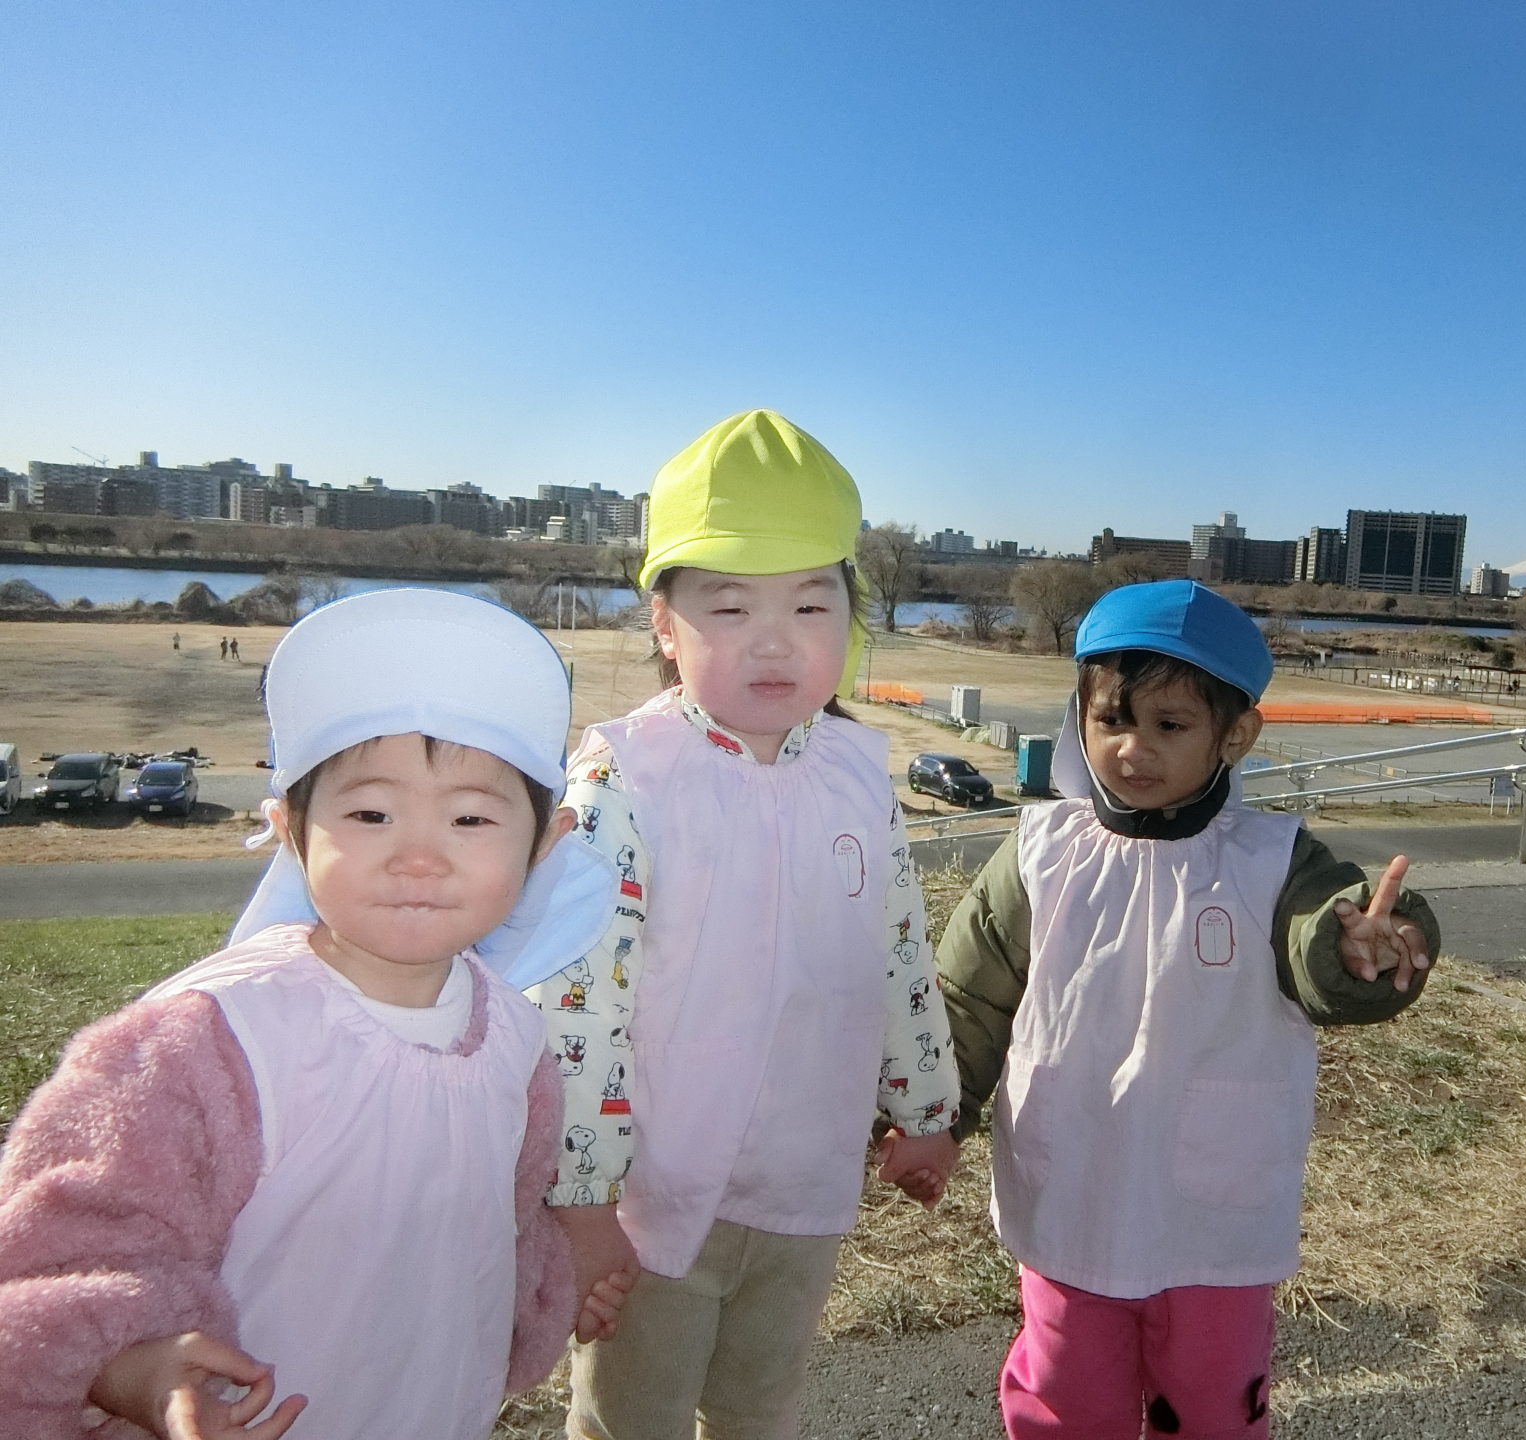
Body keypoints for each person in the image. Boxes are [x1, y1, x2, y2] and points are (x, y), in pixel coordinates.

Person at [0, 589, 630, 1440]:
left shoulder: (514, 1041)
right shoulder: (207, 1043)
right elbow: (63, 1251)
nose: (417, 855)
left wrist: (551, 1283)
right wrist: (127, 1365)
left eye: (470, 817)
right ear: (292, 831)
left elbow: (500, 1226)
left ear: (543, 844)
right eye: (370, 814)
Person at [536, 410, 960, 1440]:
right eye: (729, 606)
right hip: (653, 1198)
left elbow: (897, 954)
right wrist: (582, 1198)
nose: (776, 639)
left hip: (804, 1179)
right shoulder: (626, 782)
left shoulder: (858, 775)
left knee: (760, 1410)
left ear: (850, 616)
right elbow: (576, 1003)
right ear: (663, 624)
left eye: (811, 604)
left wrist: (925, 1109)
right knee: (630, 1419)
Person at [937, 579, 1442, 1440]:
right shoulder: (1038, 851)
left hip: (1213, 1209)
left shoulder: (1275, 859)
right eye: (1112, 720)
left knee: (1211, 1400)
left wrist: (1361, 947)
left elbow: (1323, 934)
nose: (1133, 749)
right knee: (1065, 1392)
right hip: (1071, 1182)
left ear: (1234, 735)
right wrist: (932, 1116)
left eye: (1170, 726)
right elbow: (968, 996)